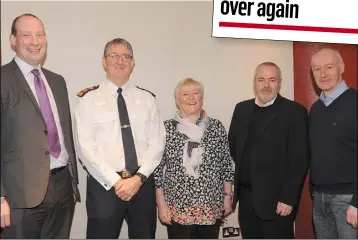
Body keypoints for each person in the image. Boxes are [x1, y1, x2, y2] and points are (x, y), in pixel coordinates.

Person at [74, 38, 166, 239]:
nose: (120, 60)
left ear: (133, 63)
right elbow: (85, 148)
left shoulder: (147, 99)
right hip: (104, 186)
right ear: (104, 61)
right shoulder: (88, 99)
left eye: (126, 56)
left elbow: (158, 142)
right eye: (113, 55)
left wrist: (138, 179)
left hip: (141, 185)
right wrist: (116, 181)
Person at [0, 13, 80, 238]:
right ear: (13, 40)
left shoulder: (57, 81)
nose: (35, 42)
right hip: (20, 196)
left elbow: (64, 133)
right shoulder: (3, 78)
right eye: (26, 35)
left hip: (63, 188)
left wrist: (72, 184)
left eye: (40, 35)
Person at [228, 62, 309, 238]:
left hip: (278, 202)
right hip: (247, 199)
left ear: (279, 83)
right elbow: (234, 146)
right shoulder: (241, 109)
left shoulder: (295, 112)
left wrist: (288, 199)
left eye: (272, 80)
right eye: (261, 79)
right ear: (254, 83)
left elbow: (299, 160)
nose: (266, 85)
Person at [153, 78, 235, 239]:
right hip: (178, 208)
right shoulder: (166, 128)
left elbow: (226, 165)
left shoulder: (216, 127)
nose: (191, 97)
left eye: (195, 93)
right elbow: (156, 170)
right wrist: (161, 205)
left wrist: (227, 198)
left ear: (201, 98)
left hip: (210, 207)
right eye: (185, 94)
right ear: (177, 101)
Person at [309, 48, 357, 239]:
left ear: (342, 67)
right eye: (316, 68)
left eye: (329, 67)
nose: (323, 74)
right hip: (320, 200)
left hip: (348, 202)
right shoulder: (316, 109)